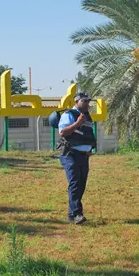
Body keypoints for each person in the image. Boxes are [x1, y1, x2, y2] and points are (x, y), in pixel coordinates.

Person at [58, 92, 96, 225]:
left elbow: (88, 135)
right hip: (70, 154)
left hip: (83, 156)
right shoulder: (69, 115)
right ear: (76, 102)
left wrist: (90, 149)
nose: (87, 104)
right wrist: (77, 123)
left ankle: (71, 214)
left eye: (88, 101)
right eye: (84, 101)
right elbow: (63, 132)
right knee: (74, 183)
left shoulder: (88, 117)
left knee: (81, 185)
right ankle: (77, 214)